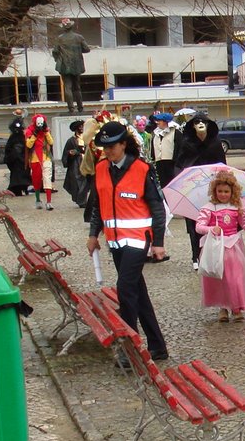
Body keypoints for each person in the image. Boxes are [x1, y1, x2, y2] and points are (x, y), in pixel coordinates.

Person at [86, 120, 168, 361]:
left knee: (125, 289)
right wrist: (93, 234)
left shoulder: (142, 169)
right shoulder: (102, 168)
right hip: (115, 242)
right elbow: (97, 206)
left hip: (137, 240)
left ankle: (130, 346)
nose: (108, 151)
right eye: (105, 147)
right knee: (138, 292)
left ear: (123, 144)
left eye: (112, 146)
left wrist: (159, 242)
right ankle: (158, 346)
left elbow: (157, 208)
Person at [195, 170, 245, 322]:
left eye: (226, 191)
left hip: (234, 246)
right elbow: (199, 226)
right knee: (219, 278)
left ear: (232, 191)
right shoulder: (209, 208)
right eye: (220, 191)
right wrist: (210, 229)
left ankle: (236, 307)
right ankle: (223, 306)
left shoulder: (237, 207)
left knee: (235, 277)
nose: (223, 194)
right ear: (214, 191)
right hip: (217, 247)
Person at [173, 114, 224, 270]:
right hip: (193, 188)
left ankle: (211, 254)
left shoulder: (215, 143)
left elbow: (222, 164)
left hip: (212, 189)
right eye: (197, 122)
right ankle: (195, 255)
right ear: (192, 126)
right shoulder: (186, 143)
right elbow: (179, 163)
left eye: (203, 122)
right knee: (194, 223)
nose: (200, 124)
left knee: (213, 221)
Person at [52, 18, 90, 115]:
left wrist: (58, 59)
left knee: (67, 87)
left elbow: (55, 51)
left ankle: (71, 108)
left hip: (64, 65)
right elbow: (86, 49)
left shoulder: (60, 38)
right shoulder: (79, 37)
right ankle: (80, 107)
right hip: (76, 65)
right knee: (77, 87)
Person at [24, 113, 54, 210]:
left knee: (47, 179)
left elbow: (51, 142)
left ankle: (49, 202)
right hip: (35, 159)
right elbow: (28, 145)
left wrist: (46, 132)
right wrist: (35, 134)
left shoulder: (46, 130)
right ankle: (38, 200)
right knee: (36, 180)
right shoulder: (29, 131)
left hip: (46, 158)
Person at [62, 120, 88, 207]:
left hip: (86, 162)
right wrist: (71, 153)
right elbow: (66, 153)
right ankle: (81, 201)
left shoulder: (87, 138)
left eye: (82, 126)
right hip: (76, 164)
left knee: (86, 182)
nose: (82, 128)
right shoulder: (71, 140)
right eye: (80, 127)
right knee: (78, 182)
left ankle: (83, 200)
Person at [5, 110, 31, 195]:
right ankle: (17, 189)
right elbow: (9, 149)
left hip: (22, 160)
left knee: (23, 173)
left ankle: (23, 187)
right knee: (17, 174)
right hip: (16, 160)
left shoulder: (22, 137)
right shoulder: (13, 138)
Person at [151, 112, 177, 187]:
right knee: (162, 184)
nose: (157, 122)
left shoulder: (175, 132)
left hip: (171, 163)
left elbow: (178, 148)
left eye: (159, 120)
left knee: (171, 183)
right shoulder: (156, 133)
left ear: (165, 122)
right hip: (159, 162)